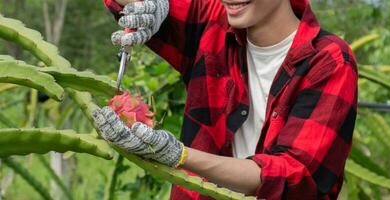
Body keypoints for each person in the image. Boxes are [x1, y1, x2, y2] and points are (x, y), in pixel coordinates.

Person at [93, 0, 358, 199]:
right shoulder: (213, 21)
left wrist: (180, 155)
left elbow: (291, 176)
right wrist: (154, 3)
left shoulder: (330, 62)